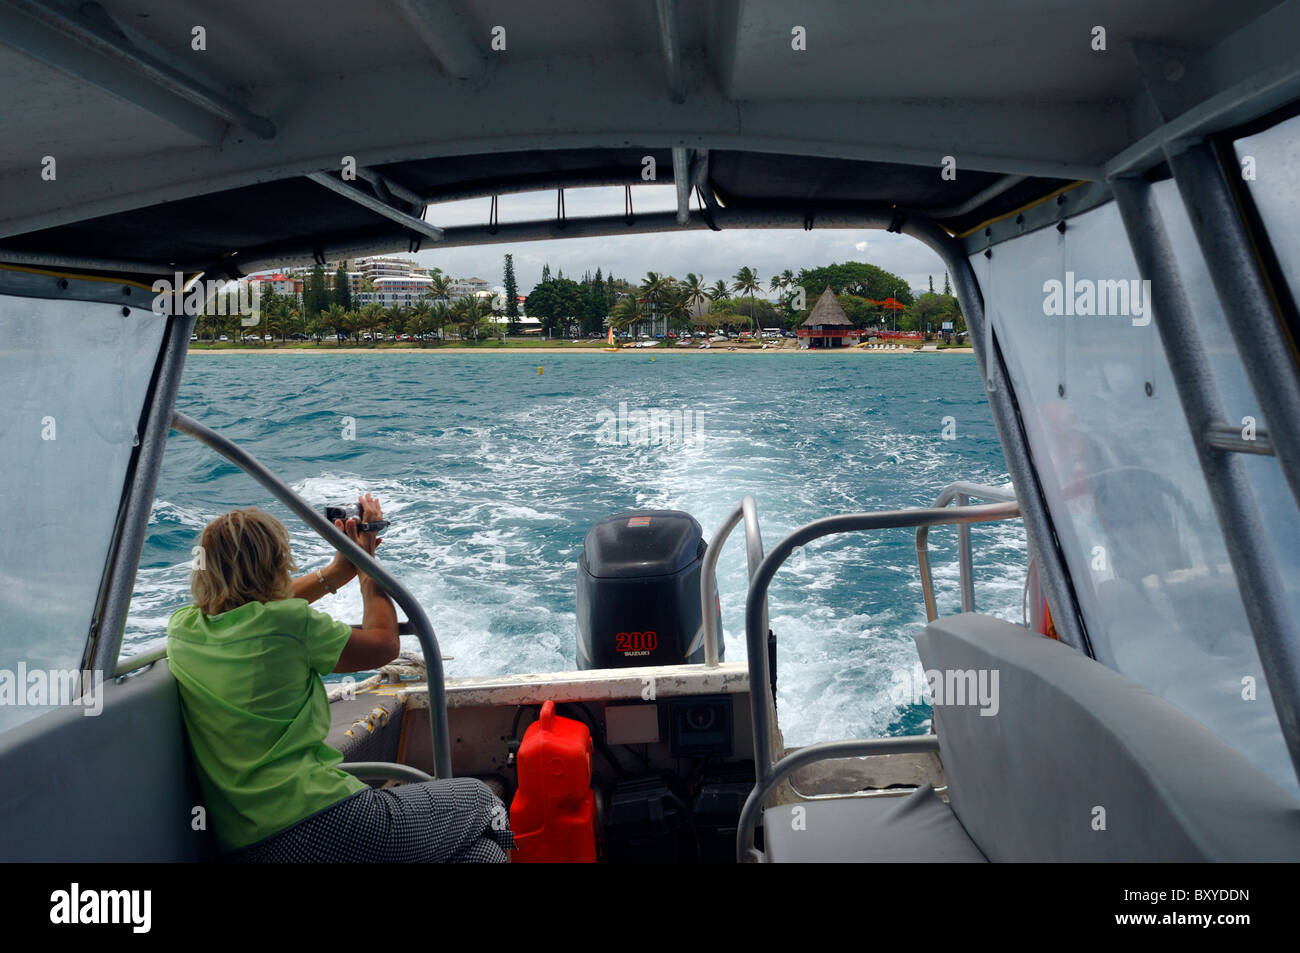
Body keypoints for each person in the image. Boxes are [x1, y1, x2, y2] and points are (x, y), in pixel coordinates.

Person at [166, 493, 513, 862]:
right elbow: (383, 645)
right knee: (480, 799)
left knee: (483, 855)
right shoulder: (291, 623)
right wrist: (367, 569)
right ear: (275, 565)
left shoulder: (183, 629)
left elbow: (250, 603)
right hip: (323, 817)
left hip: (248, 846)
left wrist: (334, 574)